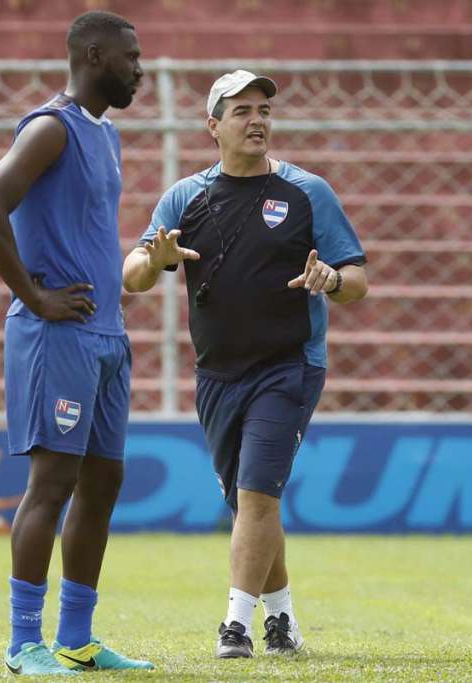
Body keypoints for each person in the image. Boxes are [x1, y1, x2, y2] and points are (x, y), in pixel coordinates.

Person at [122, 69, 369, 658]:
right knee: (247, 503)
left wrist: (331, 279)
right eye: (241, 111)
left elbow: (357, 280)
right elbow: (132, 278)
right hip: (217, 374)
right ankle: (282, 618)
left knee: (257, 495)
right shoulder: (185, 197)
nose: (257, 120)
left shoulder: (308, 192)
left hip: (289, 366)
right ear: (213, 126)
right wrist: (155, 260)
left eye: (264, 110)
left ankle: (235, 625)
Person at [0, 11, 153, 676]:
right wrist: (36, 295)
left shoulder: (107, 137)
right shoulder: (51, 128)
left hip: (105, 334)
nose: (140, 68)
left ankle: (76, 636)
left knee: (104, 480)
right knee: (51, 484)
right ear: (95, 55)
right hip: (57, 334)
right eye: (131, 57)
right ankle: (24, 642)